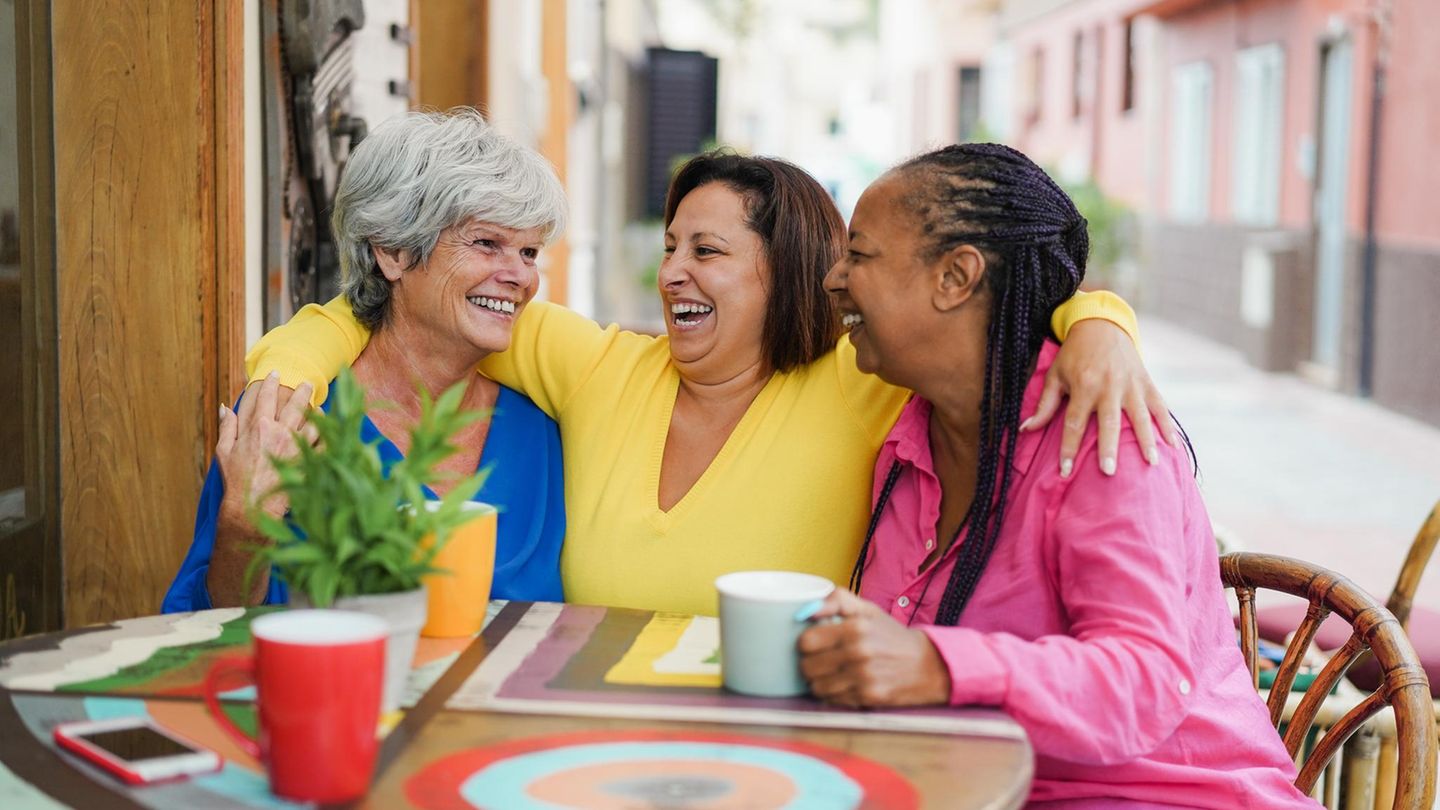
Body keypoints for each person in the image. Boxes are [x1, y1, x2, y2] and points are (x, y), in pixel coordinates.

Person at [243, 150, 1169, 616]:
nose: (674, 272)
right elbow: (410, 310)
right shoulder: (599, 365)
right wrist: (285, 377)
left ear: (791, 270)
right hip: (588, 747)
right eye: (671, 246)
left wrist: (1099, 323)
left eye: (710, 251)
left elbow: (998, 312)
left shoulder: (863, 381)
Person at [799, 143, 1314, 807]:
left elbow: (1144, 679)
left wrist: (933, 662)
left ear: (955, 277)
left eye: (859, 255)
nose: (833, 278)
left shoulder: (1102, 433)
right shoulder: (906, 444)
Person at [162, 109, 567, 612]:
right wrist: (244, 519)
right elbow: (209, 625)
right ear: (393, 252)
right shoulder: (286, 414)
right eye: (487, 243)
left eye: (529, 252)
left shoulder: (542, 429)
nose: (519, 276)